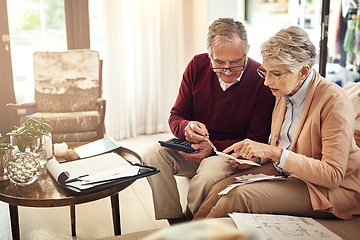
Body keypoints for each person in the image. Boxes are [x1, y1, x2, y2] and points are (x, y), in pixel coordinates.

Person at [193, 26, 360, 220]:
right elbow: (284, 146)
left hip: (326, 188)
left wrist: (272, 152)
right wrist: (257, 155)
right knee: (220, 188)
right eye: (266, 72)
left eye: (275, 74)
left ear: (303, 72)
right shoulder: (284, 89)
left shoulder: (334, 101)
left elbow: (332, 175)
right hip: (289, 173)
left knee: (237, 196)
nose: (266, 82)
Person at [142, 18, 275, 224]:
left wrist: (212, 148)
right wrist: (187, 128)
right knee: (152, 155)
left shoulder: (261, 80)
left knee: (209, 170)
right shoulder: (197, 65)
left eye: (236, 62)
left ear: (247, 49)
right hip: (194, 149)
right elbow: (176, 115)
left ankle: (191, 223)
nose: (228, 70)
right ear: (209, 54)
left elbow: (257, 139)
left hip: (230, 154)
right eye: (219, 63)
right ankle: (174, 222)